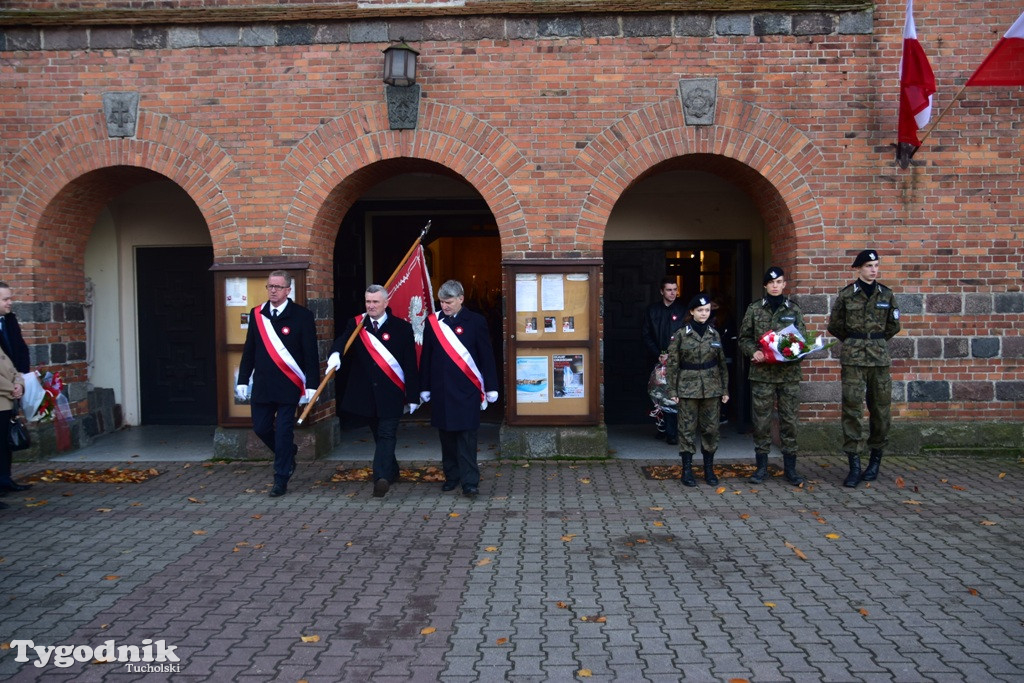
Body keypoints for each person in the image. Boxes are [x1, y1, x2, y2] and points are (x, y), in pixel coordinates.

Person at [327, 285, 419, 498]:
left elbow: (410, 364)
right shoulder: (357, 324)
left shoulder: (402, 328)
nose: (371, 306)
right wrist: (335, 353)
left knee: (387, 434)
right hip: (366, 394)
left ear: (386, 303)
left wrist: (413, 395)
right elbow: (342, 340)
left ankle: (381, 479)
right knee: (379, 435)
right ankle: (392, 470)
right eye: (368, 301)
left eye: (375, 302)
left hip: (391, 392)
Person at [236, 271, 319, 498]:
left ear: (288, 290)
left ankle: (280, 478)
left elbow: (310, 354)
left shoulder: (302, 316)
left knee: (283, 432)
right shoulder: (257, 314)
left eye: (278, 287)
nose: (273, 290)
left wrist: (312, 384)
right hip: (262, 385)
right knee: (260, 428)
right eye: (270, 286)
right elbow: (249, 350)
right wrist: (243, 379)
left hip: (288, 386)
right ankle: (288, 453)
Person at [827, 250, 901, 487]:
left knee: (880, 410)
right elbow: (835, 326)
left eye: (876, 265)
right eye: (869, 265)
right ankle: (854, 465)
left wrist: (874, 340)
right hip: (853, 359)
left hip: (879, 359)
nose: (874, 270)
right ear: (858, 268)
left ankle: (875, 461)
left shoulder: (886, 295)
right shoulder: (847, 295)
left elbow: (893, 326)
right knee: (852, 410)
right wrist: (856, 341)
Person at [419, 280, 499, 497]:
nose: (444, 306)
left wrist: (491, 386)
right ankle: (451, 476)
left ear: (461, 299)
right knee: (447, 437)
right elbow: (426, 356)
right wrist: (424, 386)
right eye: (442, 302)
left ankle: (470, 481)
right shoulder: (434, 322)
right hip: (442, 388)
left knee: (466, 436)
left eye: (449, 301)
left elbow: (486, 356)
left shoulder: (476, 321)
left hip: (467, 390)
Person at [738, 267, 807, 486]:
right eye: (771, 282)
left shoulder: (793, 309)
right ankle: (761, 468)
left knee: (789, 421)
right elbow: (744, 338)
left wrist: (794, 351)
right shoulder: (755, 309)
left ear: (784, 284)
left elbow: (803, 340)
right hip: (763, 374)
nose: (775, 286)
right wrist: (754, 351)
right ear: (765, 286)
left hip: (788, 375)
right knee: (761, 422)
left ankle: (791, 469)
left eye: (779, 282)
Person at [666, 293, 730, 487]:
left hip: (711, 388)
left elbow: (721, 365)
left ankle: (708, 469)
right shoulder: (681, 334)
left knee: (711, 429)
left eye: (707, 310)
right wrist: (672, 390)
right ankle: (687, 470)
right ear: (692, 311)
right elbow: (673, 364)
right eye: (700, 310)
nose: (704, 313)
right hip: (687, 388)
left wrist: (725, 389)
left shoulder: (714, 334)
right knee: (687, 429)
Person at [641, 277, 687, 444]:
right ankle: (661, 427)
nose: (673, 293)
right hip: (656, 360)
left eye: (675, 289)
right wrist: (658, 354)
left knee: (672, 396)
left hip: (676, 361)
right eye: (669, 290)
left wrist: (672, 355)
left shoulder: (683, 311)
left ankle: (671, 433)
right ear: (662, 291)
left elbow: (684, 337)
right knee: (656, 395)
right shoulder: (652, 310)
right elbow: (646, 334)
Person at [0, 343, 27, 508]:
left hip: (6, 403)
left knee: (3, 446)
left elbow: (13, 370)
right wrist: (12, 388)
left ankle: (4, 480)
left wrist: (19, 384)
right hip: (3, 399)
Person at [0, 282, 31, 374]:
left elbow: (22, 349)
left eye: (10, 299)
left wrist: (21, 376)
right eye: (5, 299)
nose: (10, 302)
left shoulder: (11, 320)